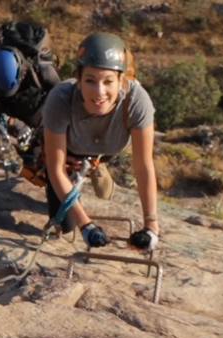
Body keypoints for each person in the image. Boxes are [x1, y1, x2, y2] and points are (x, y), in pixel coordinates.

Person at [42, 32, 159, 251]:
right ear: (78, 80)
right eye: (90, 81)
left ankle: (97, 165)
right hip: (71, 151)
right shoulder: (60, 99)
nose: (99, 92)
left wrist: (151, 226)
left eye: (108, 81)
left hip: (107, 148)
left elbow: (143, 166)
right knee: (66, 224)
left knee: (99, 188)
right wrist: (86, 225)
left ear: (121, 81)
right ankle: (84, 168)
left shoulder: (137, 101)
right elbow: (55, 169)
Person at [0, 22, 61, 147]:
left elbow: (62, 100)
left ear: (22, 72)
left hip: (39, 116)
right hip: (9, 118)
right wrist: (8, 121)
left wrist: (42, 126)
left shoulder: (43, 71)